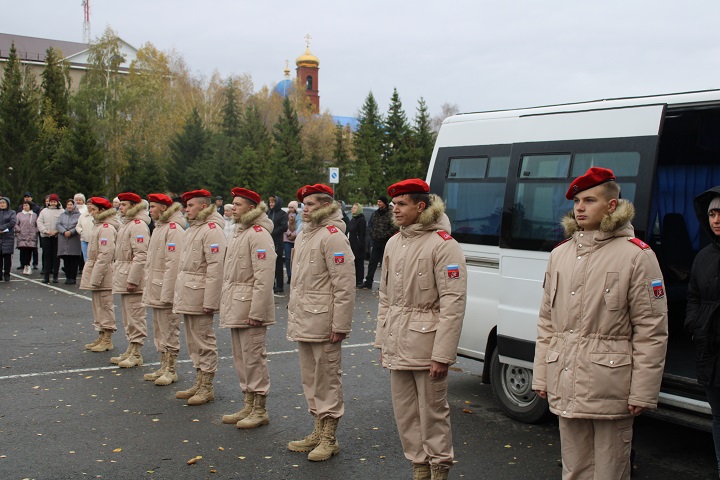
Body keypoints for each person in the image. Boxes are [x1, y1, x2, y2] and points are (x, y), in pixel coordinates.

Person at [531, 167, 669, 480]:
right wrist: (541, 375)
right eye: (577, 200)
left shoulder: (636, 256)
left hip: (611, 384)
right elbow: (547, 322)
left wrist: (643, 391)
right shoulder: (560, 255)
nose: (579, 207)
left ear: (611, 206)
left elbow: (652, 330)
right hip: (566, 378)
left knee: (610, 471)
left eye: (589, 200)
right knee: (575, 469)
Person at [374, 179, 467, 480]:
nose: (395, 210)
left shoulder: (443, 245)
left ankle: (439, 470)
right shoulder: (393, 242)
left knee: (433, 413)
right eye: (394, 205)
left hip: (427, 347)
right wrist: (382, 342)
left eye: (402, 204)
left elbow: (453, 304)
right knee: (406, 414)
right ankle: (419, 468)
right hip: (398, 341)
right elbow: (386, 297)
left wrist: (442, 355)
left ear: (421, 206)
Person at [287, 184, 355, 462]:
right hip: (305, 319)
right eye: (303, 204)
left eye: (311, 204)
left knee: (327, 379)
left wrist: (340, 325)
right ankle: (317, 429)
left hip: (325, 322)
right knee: (311, 379)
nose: (305, 208)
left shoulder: (333, 237)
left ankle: (330, 437)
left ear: (327, 205)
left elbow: (344, 285)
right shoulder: (304, 235)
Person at [220, 187, 276, 429]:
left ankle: (259, 408)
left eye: (238, 205)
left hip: (250, 308)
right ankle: (248, 402)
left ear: (251, 208)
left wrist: (257, 311)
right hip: (236, 304)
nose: (233, 208)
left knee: (253, 358)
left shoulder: (258, 234)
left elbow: (264, 278)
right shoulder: (239, 232)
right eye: (233, 204)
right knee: (241, 358)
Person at [173, 189, 226, 405]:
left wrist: (211, 301)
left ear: (203, 206)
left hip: (201, 293)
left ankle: (207, 386)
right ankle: (199, 378)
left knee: (204, 339)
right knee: (193, 340)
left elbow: (216, 267)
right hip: (189, 292)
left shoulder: (212, 230)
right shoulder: (193, 229)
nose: (186, 209)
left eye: (191, 205)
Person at [686, 186, 720, 478]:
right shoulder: (703, 257)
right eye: (712, 213)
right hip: (710, 351)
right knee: (718, 417)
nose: (717, 219)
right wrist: (694, 324)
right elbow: (693, 296)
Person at [141, 194, 185, 386]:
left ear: (164, 209)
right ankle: (163, 364)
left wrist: (168, 294)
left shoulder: (173, 230)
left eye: (153, 207)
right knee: (159, 328)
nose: (150, 210)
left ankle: (171, 368)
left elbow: (173, 264)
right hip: (156, 287)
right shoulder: (160, 228)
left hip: (165, 289)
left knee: (169, 328)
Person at [109, 192, 150, 369]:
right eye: (120, 205)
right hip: (124, 274)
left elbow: (141, 255)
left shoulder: (138, 225)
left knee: (135, 315)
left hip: (132, 279)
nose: (120, 208)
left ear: (134, 206)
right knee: (127, 316)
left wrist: (133, 279)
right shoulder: (127, 224)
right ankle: (130, 347)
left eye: (124, 205)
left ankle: (136, 352)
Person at [80, 197, 120, 352]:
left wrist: (95, 277)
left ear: (102, 211)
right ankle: (101, 334)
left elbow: (105, 254)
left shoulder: (106, 228)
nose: (92, 213)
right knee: (97, 305)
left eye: (94, 210)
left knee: (105, 304)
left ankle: (108, 337)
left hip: (104, 272)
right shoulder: (99, 226)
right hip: (96, 269)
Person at [362, 196, 397, 289]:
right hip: (376, 242)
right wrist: (373, 235)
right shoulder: (375, 213)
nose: (378, 203)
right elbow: (371, 225)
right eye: (378, 201)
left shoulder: (390, 214)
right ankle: (368, 282)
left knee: (385, 265)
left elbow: (394, 227)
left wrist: (385, 235)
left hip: (386, 242)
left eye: (380, 202)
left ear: (384, 203)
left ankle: (385, 285)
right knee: (372, 263)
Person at [37, 193, 63, 283]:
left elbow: (62, 223)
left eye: (54, 201)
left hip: (57, 236)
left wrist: (57, 231)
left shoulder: (61, 211)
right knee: (47, 256)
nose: (52, 203)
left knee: (56, 256)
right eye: (51, 201)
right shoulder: (44, 211)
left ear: (57, 202)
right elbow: (39, 222)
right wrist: (45, 231)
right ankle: (46, 275)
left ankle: (55, 275)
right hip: (46, 236)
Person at [56, 199, 82, 284]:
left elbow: (79, 225)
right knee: (66, 259)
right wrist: (64, 231)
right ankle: (67, 277)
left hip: (74, 238)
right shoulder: (62, 215)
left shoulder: (79, 215)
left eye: (71, 204)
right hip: (64, 238)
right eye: (68, 205)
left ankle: (73, 277)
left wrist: (71, 232)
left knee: (73, 259)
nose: (69, 206)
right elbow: (58, 224)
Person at [267, 195, 288, 293]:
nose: (271, 204)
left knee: (278, 264)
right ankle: (271, 284)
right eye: (270, 202)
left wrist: (273, 232)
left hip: (277, 241)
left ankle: (279, 286)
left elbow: (284, 227)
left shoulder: (282, 214)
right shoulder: (268, 213)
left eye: (273, 202)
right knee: (269, 264)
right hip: (268, 240)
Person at [16, 192, 40, 271]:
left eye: (26, 205)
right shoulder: (19, 214)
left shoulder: (34, 214)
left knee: (31, 250)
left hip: (32, 235)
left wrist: (35, 231)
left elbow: (37, 224)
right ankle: (23, 264)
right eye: (24, 205)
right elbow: (16, 223)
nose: (25, 207)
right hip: (22, 234)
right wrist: (19, 230)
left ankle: (32, 264)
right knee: (23, 250)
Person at [347, 203, 366, 287]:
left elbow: (362, 234)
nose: (352, 209)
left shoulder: (361, 220)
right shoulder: (353, 219)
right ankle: (354, 279)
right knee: (353, 263)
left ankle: (359, 280)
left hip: (358, 245)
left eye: (354, 208)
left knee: (359, 263)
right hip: (351, 244)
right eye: (352, 208)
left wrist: (360, 245)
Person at [283, 201, 300, 284]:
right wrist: (289, 233)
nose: (290, 209)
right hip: (287, 239)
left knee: (295, 258)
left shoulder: (299, 216)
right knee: (287, 258)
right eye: (289, 207)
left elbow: (300, 226)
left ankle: (295, 275)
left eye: (292, 207)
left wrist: (295, 234)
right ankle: (289, 275)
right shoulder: (285, 216)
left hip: (296, 239)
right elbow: (284, 226)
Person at [0, 197, 17, 281]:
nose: (2, 204)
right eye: (1, 203)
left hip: (8, 237)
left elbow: (13, 222)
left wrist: (2, 228)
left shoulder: (12, 212)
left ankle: (7, 274)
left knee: (7, 257)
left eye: (4, 203)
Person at [76, 194, 95, 264]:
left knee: (93, 258)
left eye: (91, 204)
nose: (89, 206)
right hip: (84, 240)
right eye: (88, 204)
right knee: (86, 258)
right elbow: (78, 226)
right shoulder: (83, 215)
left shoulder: (96, 215)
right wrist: (81, 232)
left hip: (93, 240)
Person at [73, 193, 88, 271]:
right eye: (76, 200)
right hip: (74, 232)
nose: (78, 201)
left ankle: (83, 267)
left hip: (83, 233)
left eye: (80, 200)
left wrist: (82, 231)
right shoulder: (72, 208)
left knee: (84, 252)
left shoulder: (86, 209)